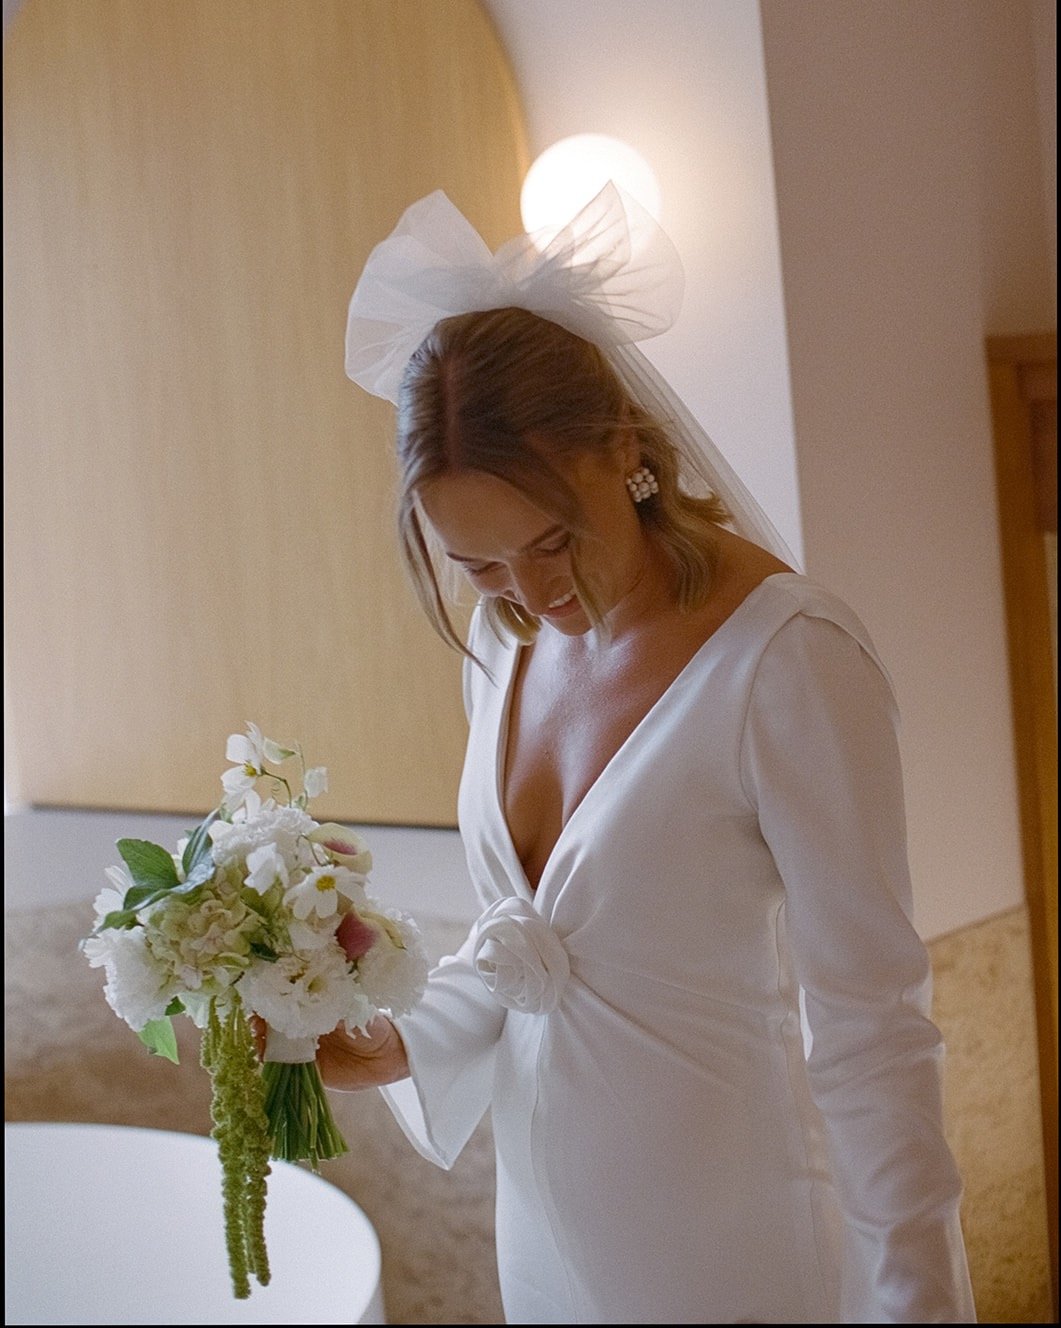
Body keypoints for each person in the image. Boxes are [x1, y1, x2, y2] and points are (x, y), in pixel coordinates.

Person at [324, 184, 977, 1324]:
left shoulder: (785, 659)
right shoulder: (504, 640)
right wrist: (394, 1039)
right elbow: (544, 946)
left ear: (621, 446)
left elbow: (873, 1027)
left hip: (726, 1242)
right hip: (542, 1231)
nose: (528, 594)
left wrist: (911, 1300)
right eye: (478, 565)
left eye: (548, 539)